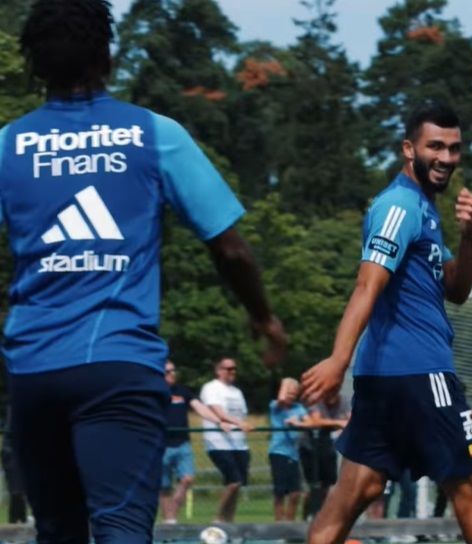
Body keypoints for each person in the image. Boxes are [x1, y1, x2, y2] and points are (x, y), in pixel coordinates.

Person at [2, 2, 286, 543]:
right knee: (122, 528)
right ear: (106, 58)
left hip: (33, 368)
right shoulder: (155, 134)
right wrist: (264, 317)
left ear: (34, 64)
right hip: (118, 366)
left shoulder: (9, 145)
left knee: (58, 532)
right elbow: (230, 250)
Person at [301, 101, 472, 544]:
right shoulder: (399, 206)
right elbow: (367, 285)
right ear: (408, 149)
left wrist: (468, 236)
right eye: (434, 146)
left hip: (384, 377)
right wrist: (337, 360)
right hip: (422, 374)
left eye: (454, 148)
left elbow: (457, 289)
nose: (445, 158)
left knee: (356, 490)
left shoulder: (423, 210)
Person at [159, 360, 232, 524]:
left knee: (187, 479)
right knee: (164, 487)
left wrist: (218, 421)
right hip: (161, 445)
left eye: (173, 371)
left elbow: (200, 407)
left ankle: (172, 513)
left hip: (182, 443)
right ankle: (169, 522)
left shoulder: (182, 391)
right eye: (167, 372)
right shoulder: (153, 393)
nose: (172, 374)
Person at [200, 358, 252, 522]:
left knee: (238, 484)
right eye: (228, 368)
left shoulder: (237, 392)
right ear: (219, 370)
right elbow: (218, 412)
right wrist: (239, 423)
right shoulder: (211, 388)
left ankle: (229, 520)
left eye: (234, 368)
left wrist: (241, 425)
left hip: (239, 443)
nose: (232, 372)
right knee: (233, 481)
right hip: (219, 442)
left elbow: (242, 414)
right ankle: (218, 520)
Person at [297, 393, 350, 520]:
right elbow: (316, 421)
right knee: (313, 485)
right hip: (309, 447)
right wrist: (338, 422)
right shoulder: (316, 400)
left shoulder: (344, 401)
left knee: (329, 485)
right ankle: (308, 516)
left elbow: (350, 420)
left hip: (328, 446)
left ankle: (324, 516)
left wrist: (329, 423)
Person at [268, 378, 309, 521]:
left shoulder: (299, 408)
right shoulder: (275, 406)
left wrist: (298, 423)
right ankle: (279, 522)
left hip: (293, 454)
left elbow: (310, 422)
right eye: (289, 393)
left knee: (295, 492)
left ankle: (289, 522)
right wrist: (286, 385)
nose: (291, 397)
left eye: (294, 394)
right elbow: (281, 399)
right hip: (279, 452)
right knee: (280, 491)